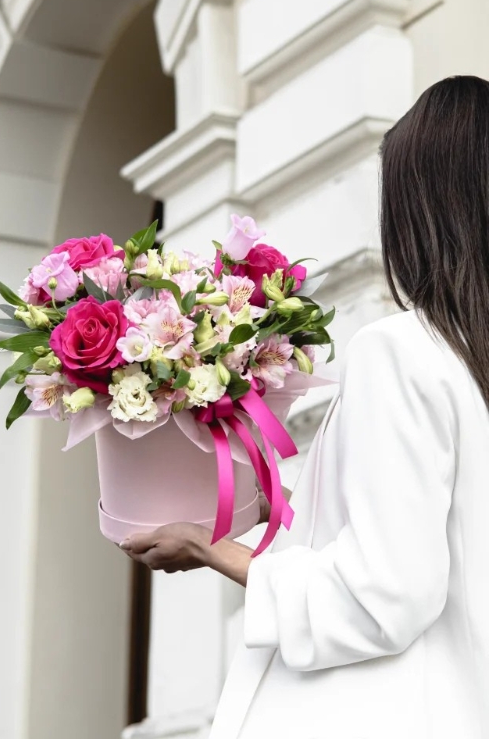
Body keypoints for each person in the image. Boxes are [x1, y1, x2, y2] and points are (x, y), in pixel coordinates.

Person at [119, 76, 489, 738]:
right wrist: (268, 494)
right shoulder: (468, 363)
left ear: (417, 210)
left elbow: (384, 596)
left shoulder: (404, 350)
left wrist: (208, 547)